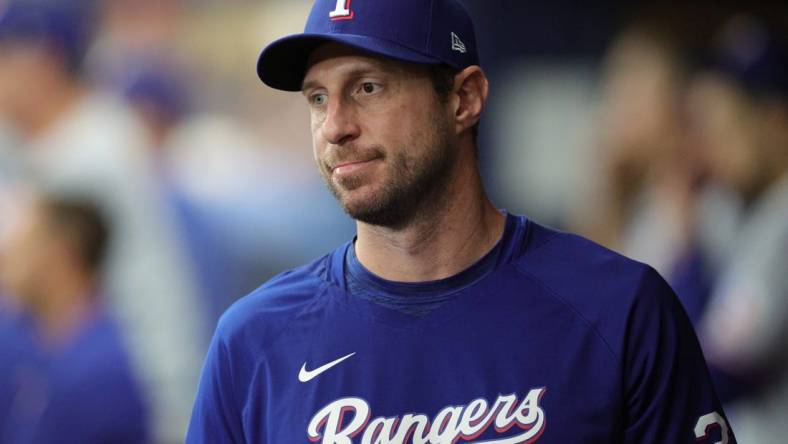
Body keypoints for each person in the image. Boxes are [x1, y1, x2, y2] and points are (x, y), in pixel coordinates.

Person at [187, 1, 735, 442]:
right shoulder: (254, 340)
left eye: (367, 88)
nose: (334, 127)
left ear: (464, 98)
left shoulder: (618, 308)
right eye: (317, 98)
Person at [0, 2, 209, 440]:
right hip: (97, 372)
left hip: (140, 383)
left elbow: (48, 286)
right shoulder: (43, 139)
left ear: (42, 63)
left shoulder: (95, 148)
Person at [687, 16, 788, 443]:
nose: (712, 149)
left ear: (774, 122)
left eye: (729, 127)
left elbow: (719, 372)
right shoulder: (733, 206)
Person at [0, 194, 149, 443]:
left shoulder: (100, 374)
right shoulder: (36, 342)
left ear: (60, 254)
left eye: (23, 245)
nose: (7, 258)